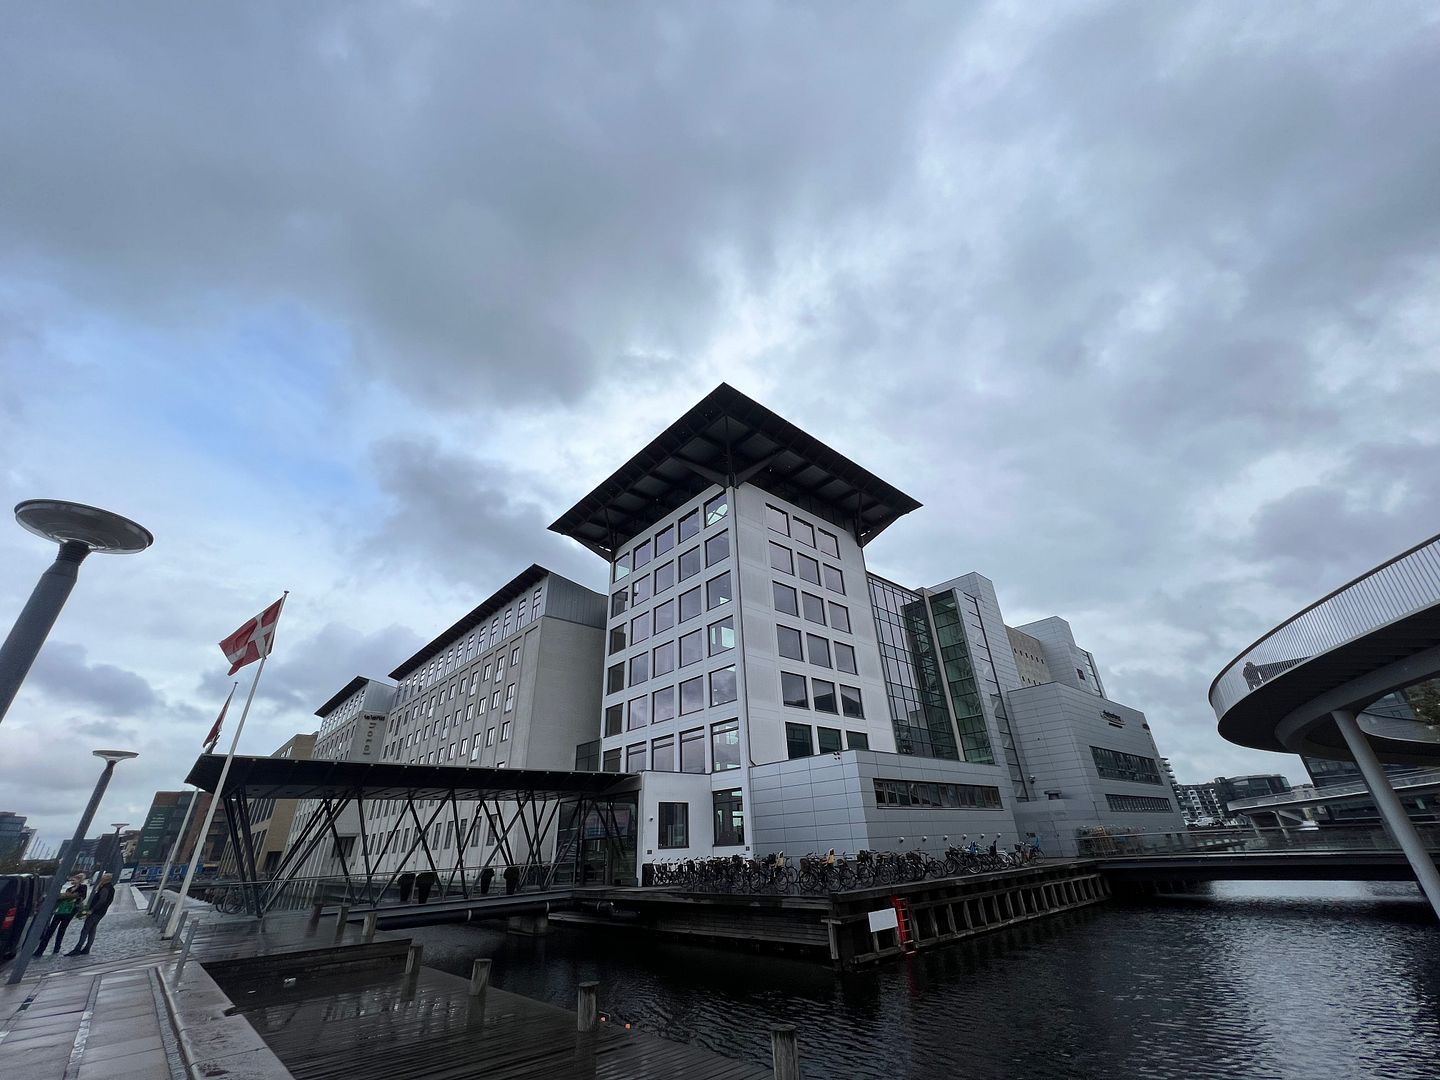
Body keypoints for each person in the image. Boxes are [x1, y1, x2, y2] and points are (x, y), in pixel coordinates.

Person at [34, 872, 88, 956]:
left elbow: (79, 896)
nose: (72, 880)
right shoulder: (70, 888)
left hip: (69, 912)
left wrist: (65, 895)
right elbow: (67, 897)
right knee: (50, 930)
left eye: (75, 878)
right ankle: (40, 950)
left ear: (79, 880)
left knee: (61, 930)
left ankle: (56, 948)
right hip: (61, 911)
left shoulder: (83, 887)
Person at [67, 872, 115, 956]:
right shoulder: (110, 888)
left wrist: (92, 910)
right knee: (92, 930)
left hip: (96, 912)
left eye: (102, 878)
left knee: (86, 930)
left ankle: (78, 948)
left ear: (105, 879)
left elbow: (101, 901)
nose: (101, 879)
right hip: (101, 912)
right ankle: (87, 948)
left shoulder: (105, 888)